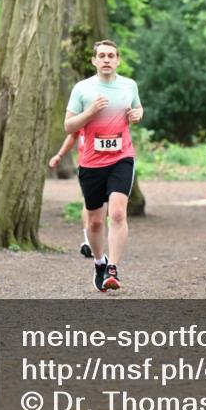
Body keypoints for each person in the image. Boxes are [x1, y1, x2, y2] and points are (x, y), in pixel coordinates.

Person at [64, 39, 143, 292]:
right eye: (102, 55)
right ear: (94, 61)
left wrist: (137, 115)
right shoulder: (82, 88)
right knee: (95, 222)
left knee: (118, 213)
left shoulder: (129, 85)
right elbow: (68, 126)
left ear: (117, 60)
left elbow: (137, 109)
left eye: (111, 55)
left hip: (122, 157)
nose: (107, 59)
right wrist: (90, 112)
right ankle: (100, 262)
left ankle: (113, 269)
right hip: (91, 161)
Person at [48, 130, 96, 259]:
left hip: (110, 164)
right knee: (90, 202)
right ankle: (89, 241)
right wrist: (59, 155)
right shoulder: (82, 112)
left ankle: (91, 240)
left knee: (97, 204)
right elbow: (73, 134)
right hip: (88, 164)